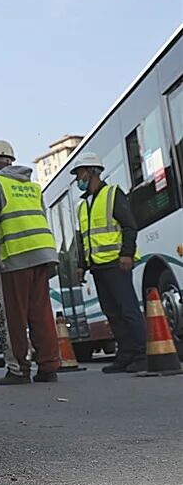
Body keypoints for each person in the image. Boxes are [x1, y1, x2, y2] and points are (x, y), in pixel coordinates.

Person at [0, 141, 61, 385]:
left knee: (13, 316)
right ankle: (48, 367)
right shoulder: (32, 187)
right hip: (42, 254)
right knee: (41, 314)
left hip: (14, 258)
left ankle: (18, 370)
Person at [70, 152, 147, 373]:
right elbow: (83, 239)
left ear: (92, 172)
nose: (78, 179)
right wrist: (81, 266)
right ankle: (126, 355)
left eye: (80, 174)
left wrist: (126, 254)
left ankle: (141, 355)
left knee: (128, 310)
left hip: (116, 263)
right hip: (97, 266)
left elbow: (129, 226)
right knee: (112, 312)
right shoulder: (82, 206)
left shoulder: (113, 194)